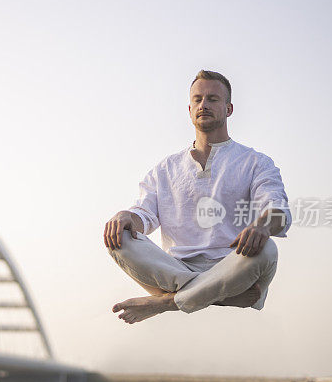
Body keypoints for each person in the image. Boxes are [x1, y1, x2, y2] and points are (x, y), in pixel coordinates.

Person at [103, 70, 291, 324]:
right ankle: (219, 296)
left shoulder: (255, 162)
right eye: (198, 99)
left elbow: (277, 211)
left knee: (267, 248)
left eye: (213, 99)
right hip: (177, 270)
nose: (204, 105)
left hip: (234, 265)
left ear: (229, 108)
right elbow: (143, 217)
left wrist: (261, 225)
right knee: (117, 236)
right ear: (190, 108)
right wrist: (125, 216)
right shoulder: (165, 169)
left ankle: (166, 302)